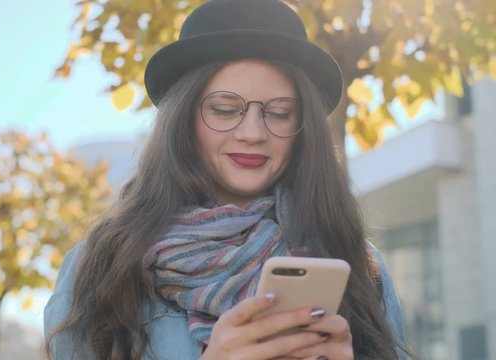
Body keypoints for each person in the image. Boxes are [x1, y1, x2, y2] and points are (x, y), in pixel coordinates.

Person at [44, 0, 409, 359]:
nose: (252, 132)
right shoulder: (103, 263)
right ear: (183, 119)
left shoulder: (357, 265)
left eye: (280, 113)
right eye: (224, 109)